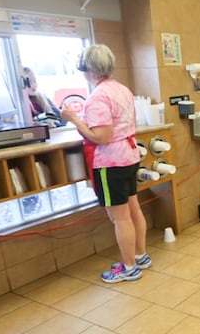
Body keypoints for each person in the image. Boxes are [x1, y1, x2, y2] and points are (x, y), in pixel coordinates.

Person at [61, 45, 150, 283]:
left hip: (111, 162)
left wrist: (74, 120)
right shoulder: (122, 89)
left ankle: (129, 267)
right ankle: (140, 256)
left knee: (120, 218)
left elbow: (101, 136)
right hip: (129, 157)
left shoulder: (98, 96)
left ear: (89, 69)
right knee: (133, 210)